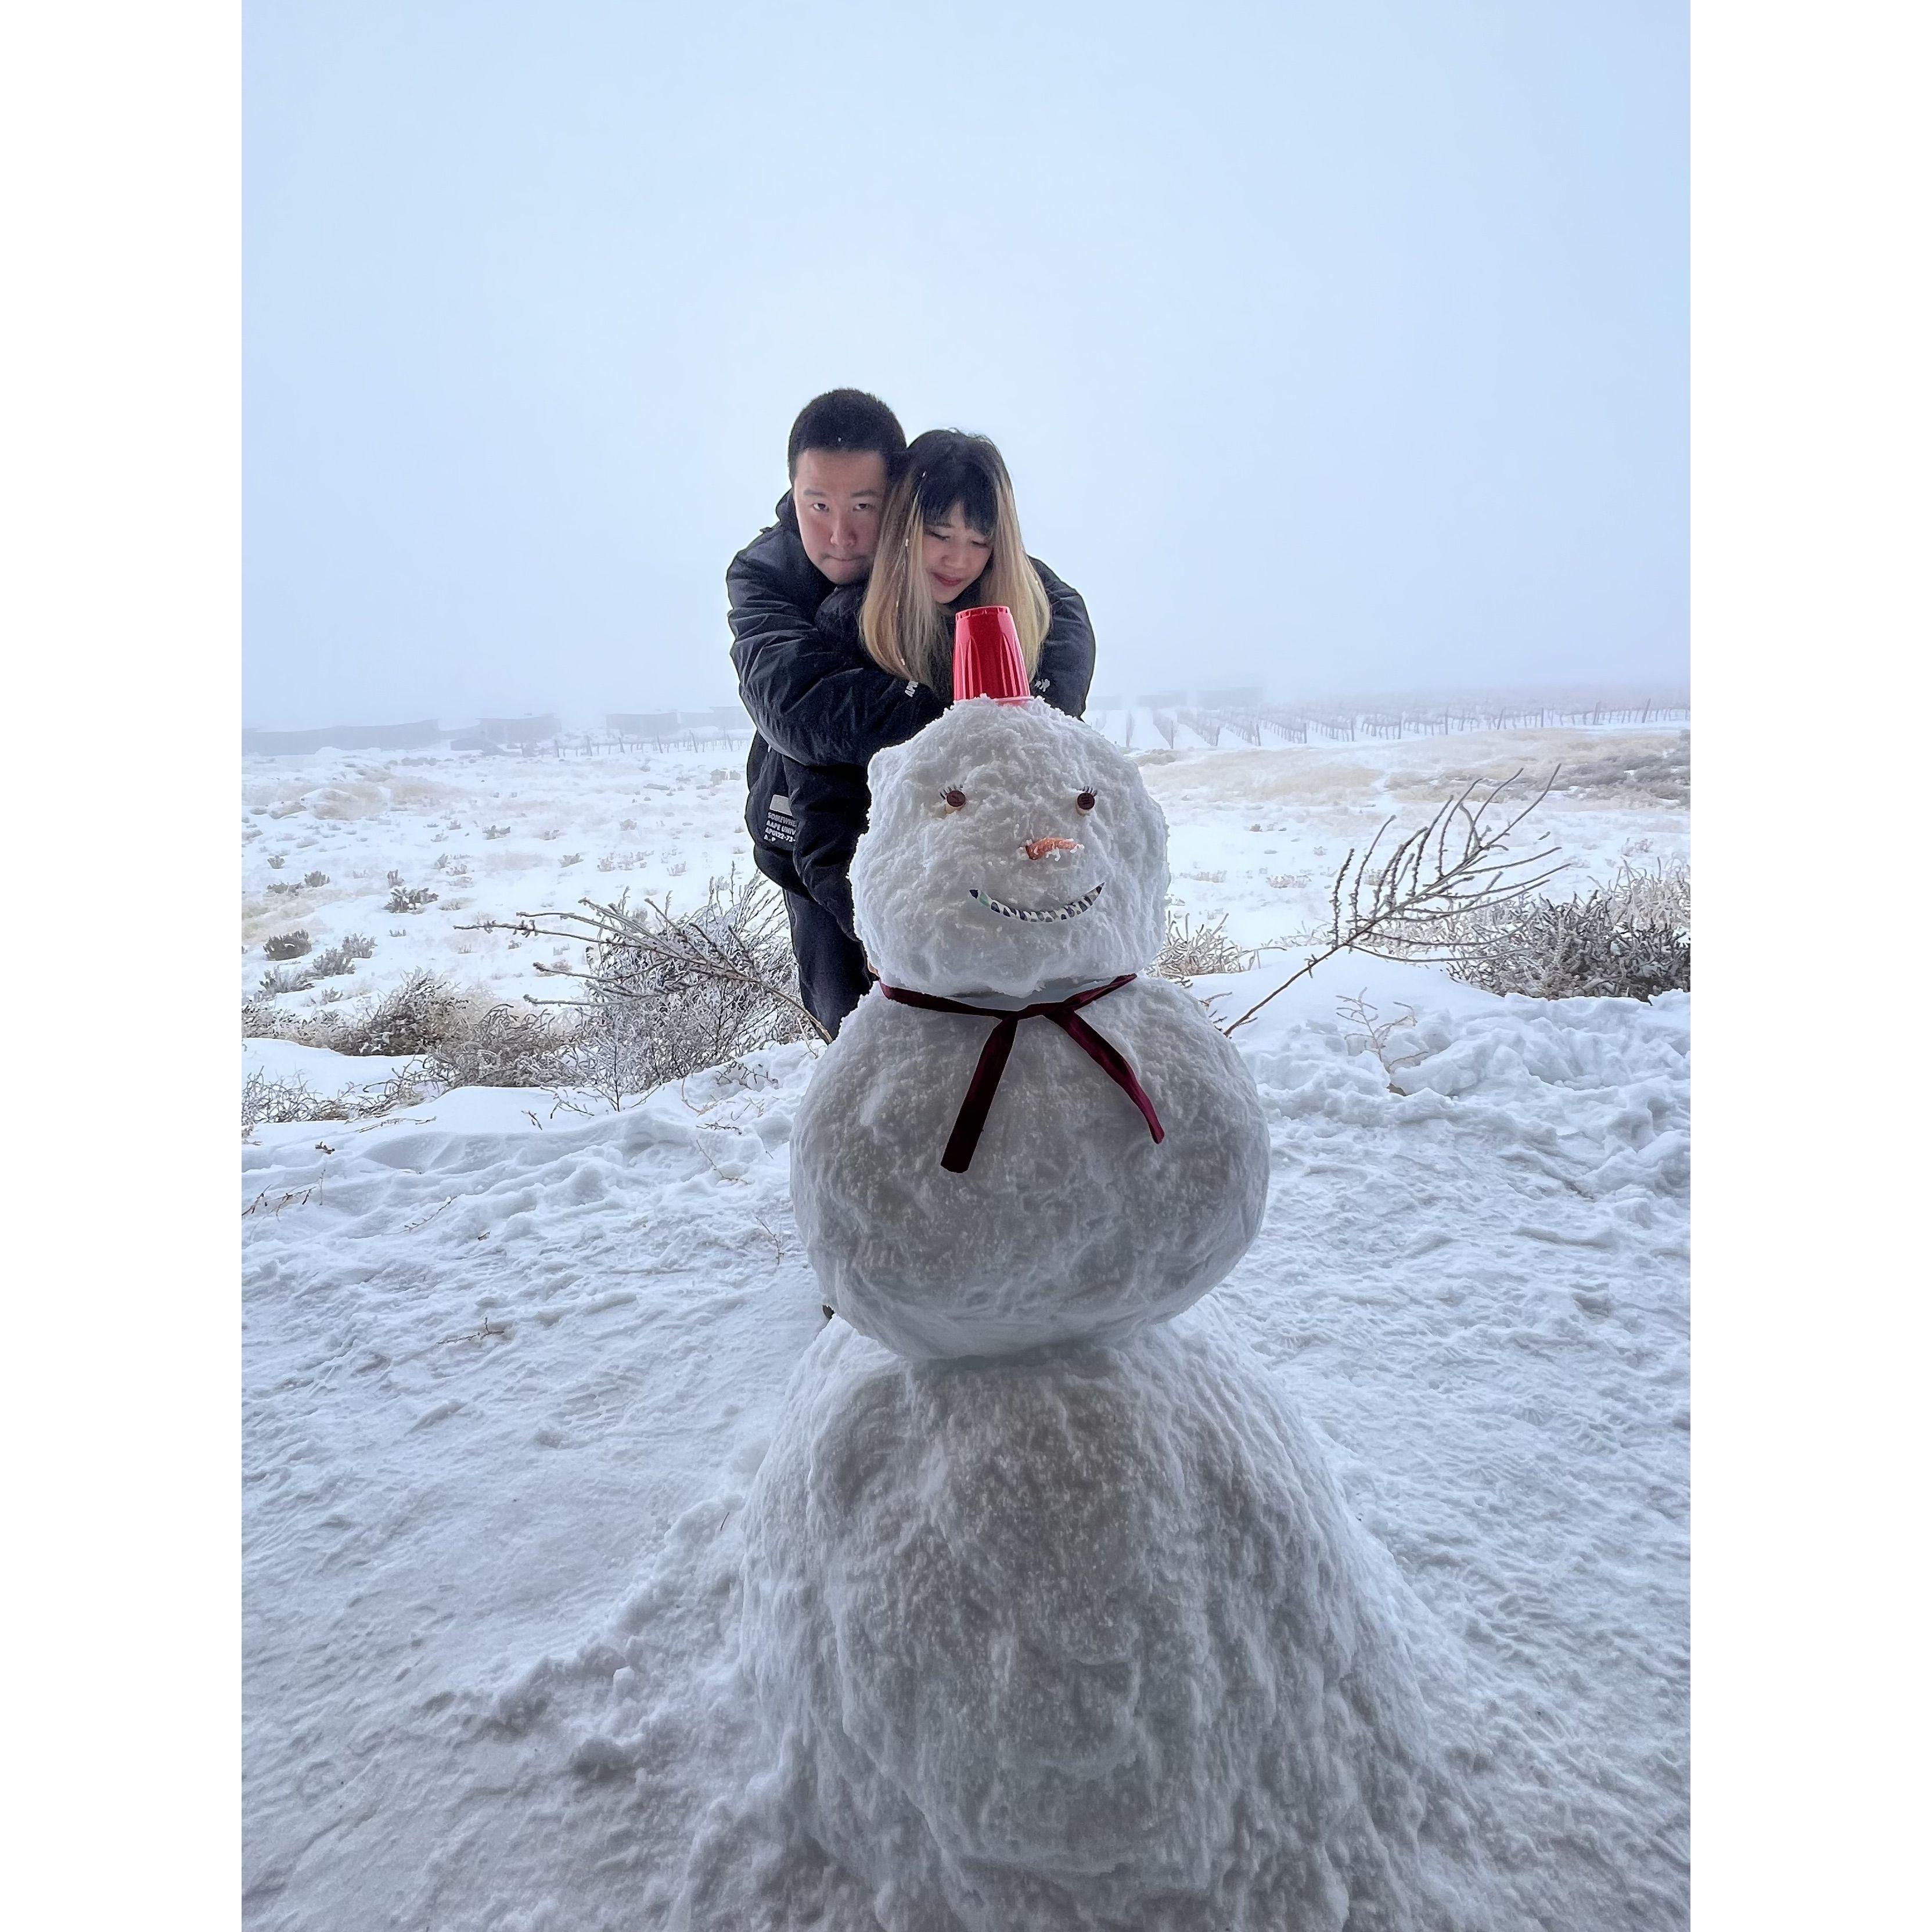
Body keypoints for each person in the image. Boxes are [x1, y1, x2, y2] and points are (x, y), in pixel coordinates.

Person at [728, 395, 1094, 1034]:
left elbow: (1055, 608)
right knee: (853, 1026)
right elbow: (798, 708)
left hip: (956, 871)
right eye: (819, 505)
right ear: (793, 491)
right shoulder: (773, 576)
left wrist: (1033, 706)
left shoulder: (986, 588)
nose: (841, 535)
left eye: (864, 507)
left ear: (897, 499)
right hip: (819, 843)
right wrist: (958, 719)